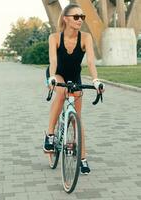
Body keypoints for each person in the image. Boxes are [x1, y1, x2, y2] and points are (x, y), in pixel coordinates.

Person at [43, 3, 105, 175]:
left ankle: (82, 158)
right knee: (62, 93)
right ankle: (50, 134)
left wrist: (96, 80)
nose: (80, 20)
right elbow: (53, 62)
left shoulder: (85, 38)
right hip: (57, 74)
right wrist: (52, 78)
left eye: (82, 17)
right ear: (66, 19)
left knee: (77, 118)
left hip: (74, 76)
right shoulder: (54, 38)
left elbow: (91, 62)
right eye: (76, 17)